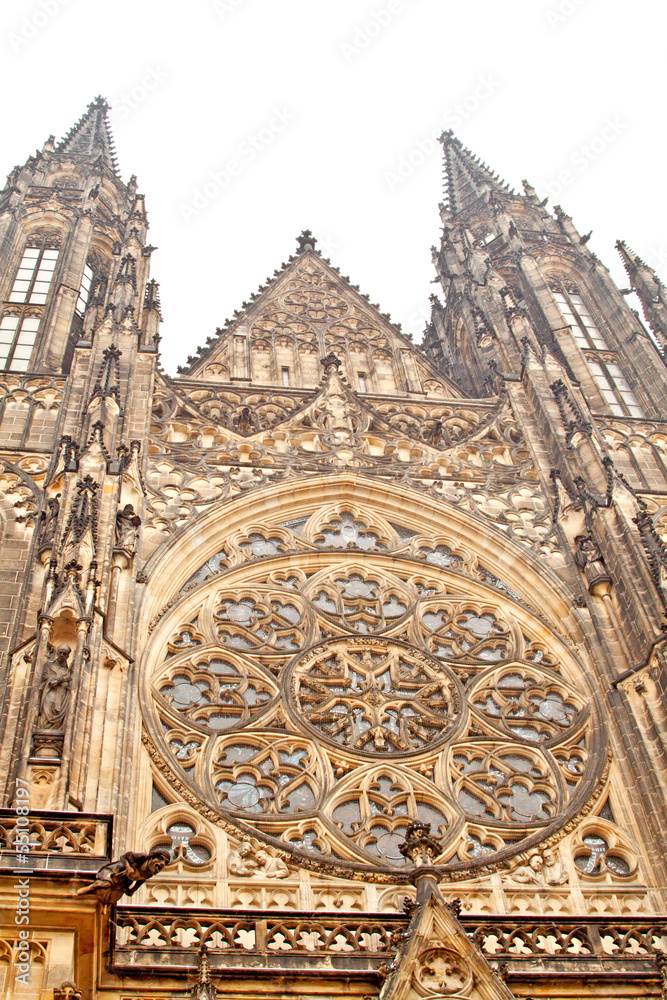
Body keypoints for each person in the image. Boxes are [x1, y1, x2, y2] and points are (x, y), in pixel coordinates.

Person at [74, 848, 170, 905]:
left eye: (165, 862)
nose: (161, 863)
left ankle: (105, 905)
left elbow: (141, 880)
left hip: (126, 881)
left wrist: (133, 890)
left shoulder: (150, 872)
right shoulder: (142, 858)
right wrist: (128, 867)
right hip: (117, 870)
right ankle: (89, 887)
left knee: (115, 896)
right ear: (153, 857)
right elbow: (123, 857)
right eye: (160, 859)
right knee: (105, 883)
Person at [36, 645, 72, 730]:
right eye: (60, 653)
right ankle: (44, 728)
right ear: (57, 653)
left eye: (64, 653)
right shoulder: (48, 665)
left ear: (67, 656)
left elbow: (71, 682)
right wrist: (59, 679)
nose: (62, 655)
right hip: (50, 691)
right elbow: (44, 676)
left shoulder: (67, 671)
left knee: (60, 712)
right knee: (48, 704)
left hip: (62, 695)